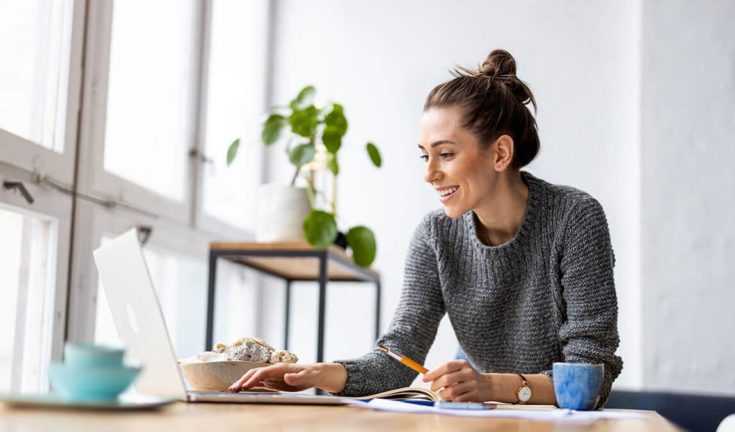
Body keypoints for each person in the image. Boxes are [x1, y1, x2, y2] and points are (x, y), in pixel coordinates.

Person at [229, 49, 622, 406]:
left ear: (500, 153)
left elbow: (590, 378)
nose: (430, 174)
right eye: (425, 157)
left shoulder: (575, 218)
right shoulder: (435, 235)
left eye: (446, 154)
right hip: (479, 417)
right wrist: (320, 374)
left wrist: (489, 386)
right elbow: (400, 357)